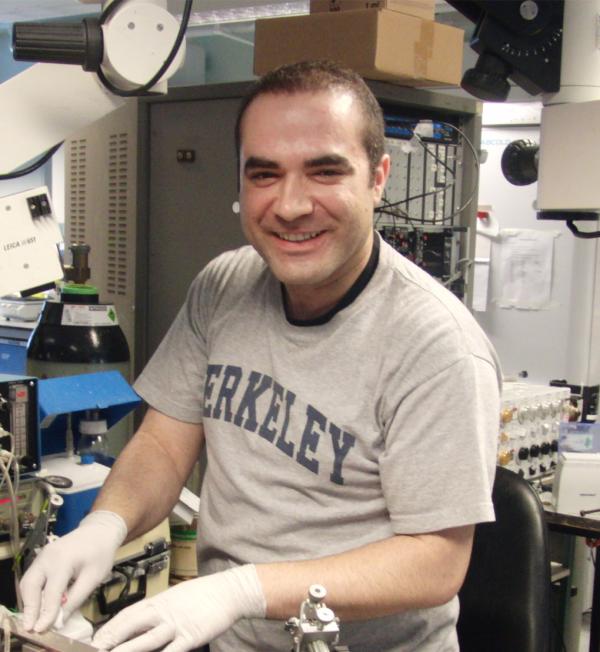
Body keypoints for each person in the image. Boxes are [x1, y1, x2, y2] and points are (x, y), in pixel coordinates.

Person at [20, 60, 501, 652]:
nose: (291, 205)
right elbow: (165, 446)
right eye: (265, 175)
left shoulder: (435, 344)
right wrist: (103, 525)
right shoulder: (222, 287)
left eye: (324, 171)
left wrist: (239, 591)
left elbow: (434, 564)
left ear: (379, 177)